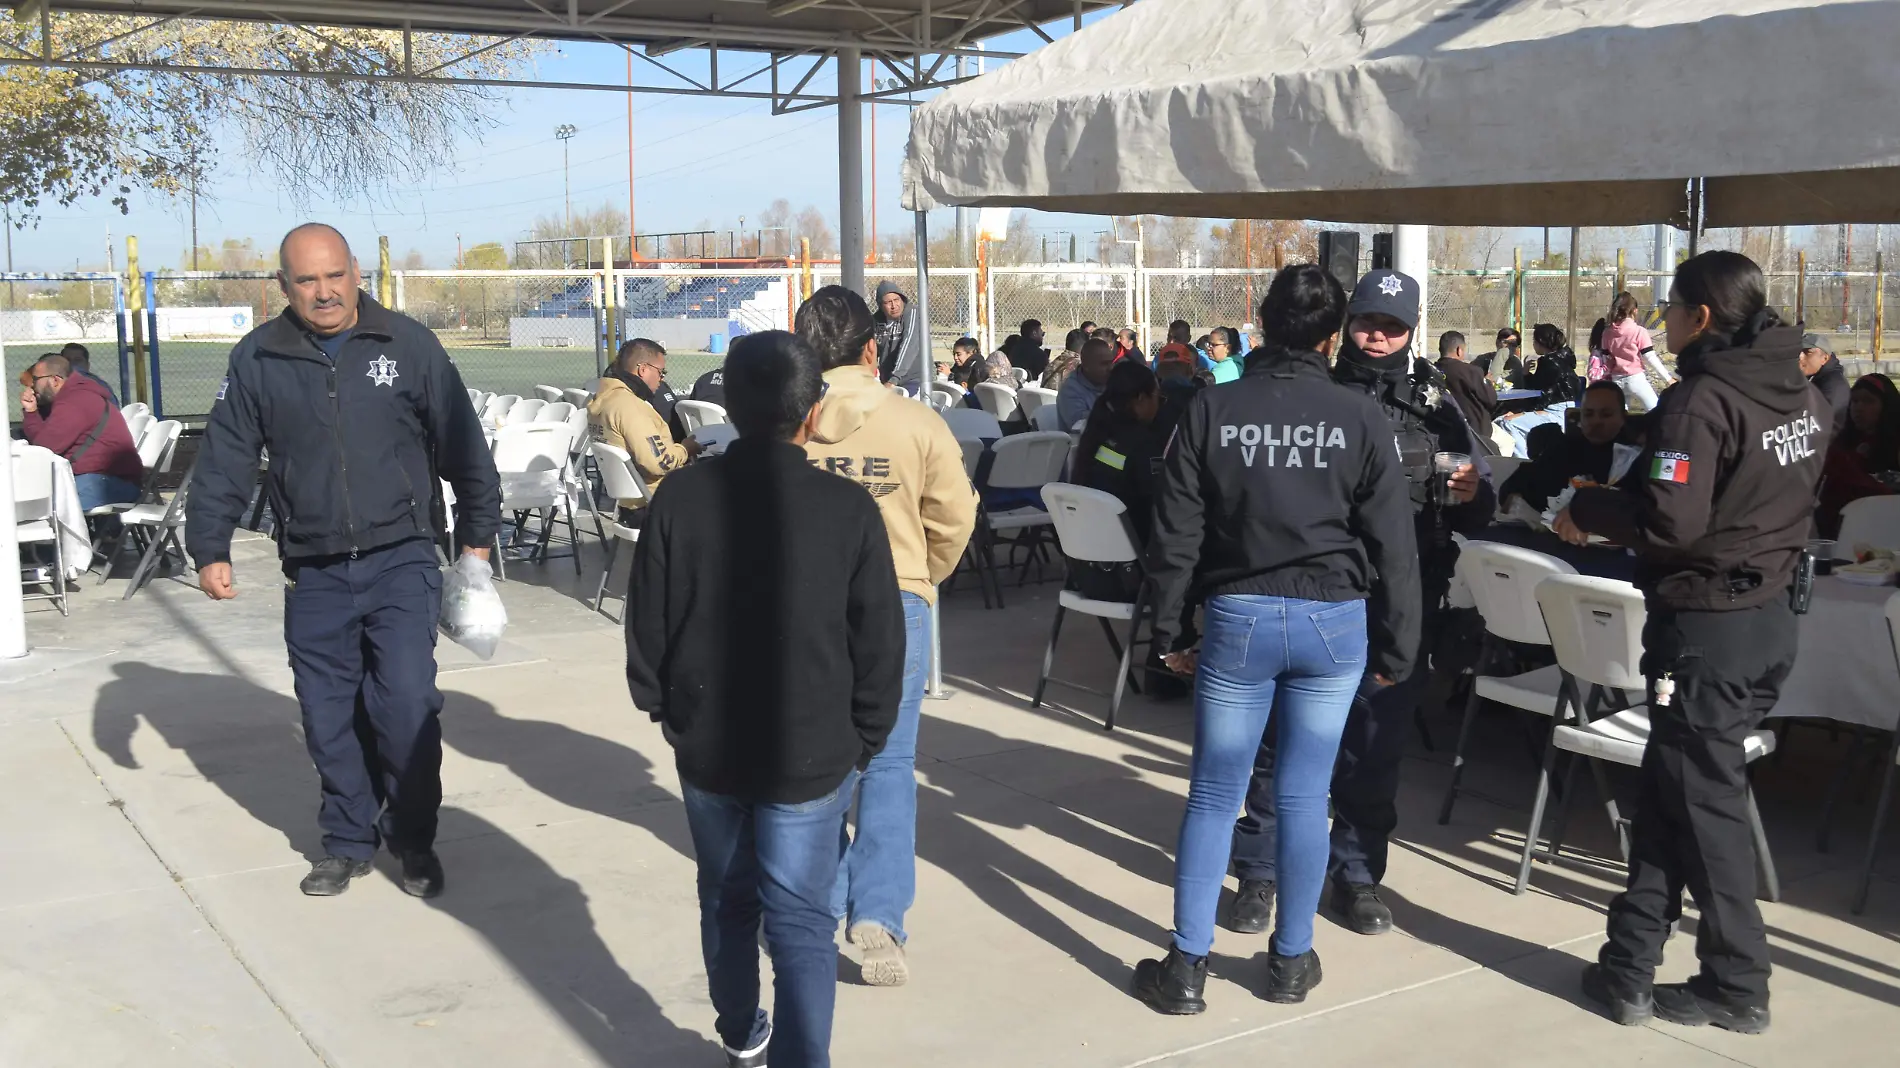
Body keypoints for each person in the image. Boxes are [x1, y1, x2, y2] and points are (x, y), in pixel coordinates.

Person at [1132, 263, 1422, 1013]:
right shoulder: (1361, 418)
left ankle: (1187, 965)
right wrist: (1400, 647)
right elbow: (1395, 543)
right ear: (1332, 338)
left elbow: (1176, 530)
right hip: (1333, 621)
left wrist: (1168, 629)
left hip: (1240, 618)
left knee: (1213, 795)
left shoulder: (1212, 408)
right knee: (1304, 796)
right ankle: (1291, 960)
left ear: (1262, 324)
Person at [1555, 251, 1826, 1036]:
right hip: (1764, 618)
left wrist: (1596, 511)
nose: (1658, 326)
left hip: (1712, 627)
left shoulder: (1700, 402)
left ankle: (1737, 983)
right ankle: (1630, 965)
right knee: (1671, 793)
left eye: (1667, 311)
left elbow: (1673, 523)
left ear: (1699, 316)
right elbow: (1834, 394)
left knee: (1704, 809)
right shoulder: (1796, 382)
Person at [186, 222, 501, 898]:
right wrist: (209, 544)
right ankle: (347, 841)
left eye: (334, 276)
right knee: (327, 712)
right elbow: (226, 456)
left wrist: (476, 541)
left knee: (406, 705)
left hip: (402, 558)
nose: (324, 292)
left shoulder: (409, 345)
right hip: (315, 566)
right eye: (307, 280)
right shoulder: (258, 358)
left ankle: (414, 839)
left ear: (356, 272)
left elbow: (464, 447)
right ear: (284, 287)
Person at [625, 329, 905, 1068]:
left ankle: (740, 1029)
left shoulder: (680, 496)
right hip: (808, 753)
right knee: (800, 921)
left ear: (729, 406)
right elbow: (881, 639)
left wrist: (664, 706)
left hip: (712, 746)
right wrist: (867, 737)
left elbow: (646, 618)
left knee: (726, 894)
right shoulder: (848, 508)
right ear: (812, 411)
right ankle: (785, 1050)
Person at [1224, 269, 1493, 941]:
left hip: (1402, 599)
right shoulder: (1315, 390)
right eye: (1368, 323)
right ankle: (1259, 870)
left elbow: (1481, 493)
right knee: (1278, 742)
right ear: (1344, 327)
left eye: (1393, 327)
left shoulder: (1436, 399)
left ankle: (1357, 873)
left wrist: (1470, 492)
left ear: (1412, 330)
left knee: (1374, 747)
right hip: (1318, 594)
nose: (1378, 338)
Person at [793, 286, 977, 988]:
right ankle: (879, 912)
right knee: (890, 763)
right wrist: (921, 576)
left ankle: (823, 892)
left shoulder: (794, 428)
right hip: (896, 599)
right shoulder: (917, 423)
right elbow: (954, 517)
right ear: (874, 348)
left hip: (808, 605)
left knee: (820, 762)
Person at [588, 339, 703, 526]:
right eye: (660, 372)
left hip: (628, 503)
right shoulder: (630, 407)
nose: (662, 378)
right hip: (655, 503)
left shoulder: (603, 400)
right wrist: (685, 449)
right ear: (643, 369)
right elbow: (659, 463)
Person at [19, 352, 144, 512]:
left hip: (110, 483)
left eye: (35, 380)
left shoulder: (76, 401)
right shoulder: (75, 395)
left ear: (55, 380)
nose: (32, 387)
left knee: (39, 503)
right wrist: (32, 411)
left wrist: (31, 413)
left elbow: (46, 447)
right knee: (37, 494)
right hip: (102, 478)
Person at [1075, 360, 1173, 548]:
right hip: (1131, 546)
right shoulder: (1143, 445)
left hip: (1094, 544)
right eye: (1158, 398)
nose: (1160, 406)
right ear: (1141, 399)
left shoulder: (1098, 435)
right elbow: (1156, 502)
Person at [1500, 381, 1630, 511]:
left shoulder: (1636, 460)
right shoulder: (1565, 449)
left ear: (1623, 417)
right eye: (1588, 414)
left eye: (1606, 414)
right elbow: (1521, 482)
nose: (1596, 421)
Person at [1816, 373, 1900, 538]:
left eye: (1869, 401)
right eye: (1855, 401)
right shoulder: (1843, 442)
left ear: (1886, 405)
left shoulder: (1895, 442)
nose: (1859, 408)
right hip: (1843, 528)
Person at [1603, 292, 1671, 410]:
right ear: (1634, 311)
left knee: (1620, 417)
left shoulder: (1607, 332)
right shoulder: (1639, 331)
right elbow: (1650, 357)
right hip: (1635, 378)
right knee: (1656, 410)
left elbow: (1605, 358)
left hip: (1616, 380)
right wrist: (1668, 379)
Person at [1436, 330, 1498, 447]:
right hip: (1475, 430)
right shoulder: (1471, 371)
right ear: (1459, 350)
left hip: (1443, 428)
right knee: (1508, 441)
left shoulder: (1434, 371)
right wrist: (1488, 383)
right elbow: (1491, 400)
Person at [873, 281, 926, 392]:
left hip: (915, 380)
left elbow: (909, 345)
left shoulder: (913, 313)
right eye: (888, 302)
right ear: (880, 305)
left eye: (896, 300)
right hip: (887, 380)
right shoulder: (876, 321)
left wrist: (894, 379)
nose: (894, 306)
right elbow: (870, 351)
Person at [1056, 336, 1115, 429]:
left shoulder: (1111, 381)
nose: (1110, 368)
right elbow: (1080, 426)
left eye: (1111, 362)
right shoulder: (1070, 390)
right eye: (1104, 364)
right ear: (1086, 365)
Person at [1800, 333, 1850, 434]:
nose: (1800, 357)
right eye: (1798, 352)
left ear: (1825, 358)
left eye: (1807, 353)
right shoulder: (1814, 378)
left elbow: (1828, 428)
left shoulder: (1833, 386)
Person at [1525, 323, 1581, 406]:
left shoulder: (1549, 362)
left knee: (1506, 419)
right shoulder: (1564, 359)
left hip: (1552, 409)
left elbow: (1536, 391)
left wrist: (1525, 374)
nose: (1533, 344)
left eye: (1534, 340)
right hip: (1568, 406)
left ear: (1541, 341)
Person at [60, 341, 121, 407]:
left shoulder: (100, 385)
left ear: (87, 365)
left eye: (77, 360)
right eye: (67, 360)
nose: (72, 364)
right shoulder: (56, 384)